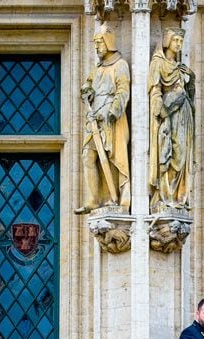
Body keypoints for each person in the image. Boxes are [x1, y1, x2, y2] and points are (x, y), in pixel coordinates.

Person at [75, 25, 130, 214]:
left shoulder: (120, 65)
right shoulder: (97, 68)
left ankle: (112, 198)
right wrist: (87, 90)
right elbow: (88, 85)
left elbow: (123, 91)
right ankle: (93, 199)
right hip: (94, 118)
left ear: (108, 43)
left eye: (99, 43)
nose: (97, 47)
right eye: (95, 44)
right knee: (87, 156)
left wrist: (112, 112)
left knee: (111, 156)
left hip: (111, 119)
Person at [148, 27, 195, 210]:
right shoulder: (158, 64)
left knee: (182, 155)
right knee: (168, 153)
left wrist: (191, 78)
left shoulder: (181, 68)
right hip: (169, 114)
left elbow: (190, 95)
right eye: (176, 40)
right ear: (167, 41)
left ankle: (178, 198)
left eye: (181, 41)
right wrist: (161, 111)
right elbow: (155, 91)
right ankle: (164, 196)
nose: (179, 44)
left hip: (184, 114)